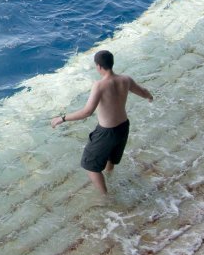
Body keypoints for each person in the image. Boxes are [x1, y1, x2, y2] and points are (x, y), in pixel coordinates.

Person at [51, 50, 154, 196]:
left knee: (90, 166)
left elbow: (87, 112)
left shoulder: (99, 85)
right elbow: (143, 92)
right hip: (123, 127)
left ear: (98, 66)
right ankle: (110, 178)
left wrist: (61, 118)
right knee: (111, 158)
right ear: (112, 63)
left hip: (106, 132)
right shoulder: (126, 79)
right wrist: (149, 97)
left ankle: (105, 196)